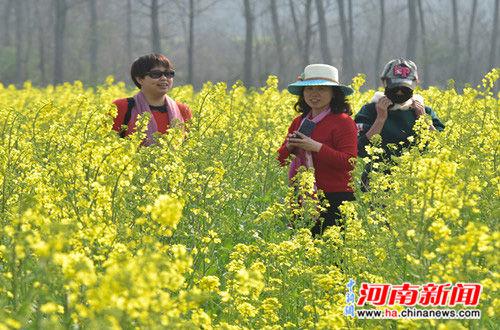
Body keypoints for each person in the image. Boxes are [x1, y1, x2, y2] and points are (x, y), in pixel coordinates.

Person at [277, 64, 358, 236]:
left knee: (334, 257)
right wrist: (290, 146)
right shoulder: (299, 122)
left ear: (334, 93)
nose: (314, 94)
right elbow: (279, 160)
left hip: (335, 198)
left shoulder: (343, 122)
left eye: (321, 89)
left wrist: (316, 147)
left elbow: (349, 162)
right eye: (309, 89)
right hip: (302, 197)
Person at [355, 58, 445, 190]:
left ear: (415, 85)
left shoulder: (424, 111)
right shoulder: (370, 110)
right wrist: (380, 119)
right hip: (377, 185)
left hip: (418, 183)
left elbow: (442, 149)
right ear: (384, 82)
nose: (399, 92)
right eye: (395, 87)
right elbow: (359, 149)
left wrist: (424, 121)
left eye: (405, 88)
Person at [112, 53, 192, 145]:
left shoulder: (183, 110)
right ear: (140, 79)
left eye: (169, 74)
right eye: (156, 74)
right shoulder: (121, 107)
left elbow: (189, 149)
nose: (164, 78)